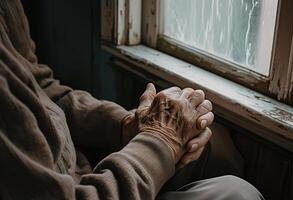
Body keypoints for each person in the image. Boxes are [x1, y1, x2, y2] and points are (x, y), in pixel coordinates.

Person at [0, 0, 264, 199]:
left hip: (74, 164)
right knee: (237, 194)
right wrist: (159, 140)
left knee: (212, 146)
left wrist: (124, 125)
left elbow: (40, 86)